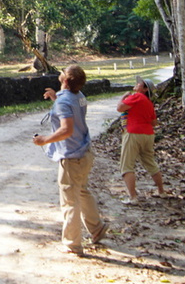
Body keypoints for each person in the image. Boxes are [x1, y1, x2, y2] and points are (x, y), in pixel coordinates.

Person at [32, 65, 108, 256]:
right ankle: (97, 228)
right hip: (85, 153)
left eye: (63, 72)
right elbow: (69, 106)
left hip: (71, 157)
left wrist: (44, 140)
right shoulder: (79, 96)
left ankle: (72, 244)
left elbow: (67, 129)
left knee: (69, 201)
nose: (60, 72)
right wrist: (56, 98)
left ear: (65, 80)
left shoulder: (64, 102)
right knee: (82, 191)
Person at [117, 76, 166, 204]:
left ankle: (133, 197)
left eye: (140, 83)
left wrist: (124, 96)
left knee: (127, 165)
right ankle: (162, 191)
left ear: (144, 89)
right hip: (148, 134)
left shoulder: (137, 96)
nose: (137, 84)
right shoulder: (149, 103)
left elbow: (120, 108)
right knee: (150, 162)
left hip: (133, 133)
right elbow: (154, 122)